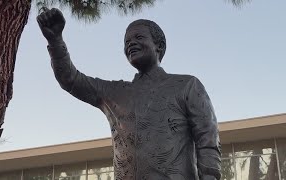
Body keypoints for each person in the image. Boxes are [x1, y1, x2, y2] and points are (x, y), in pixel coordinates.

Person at [37, 8, 221, 180]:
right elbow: (70, 79)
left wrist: (210, 176)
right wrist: (55, 41)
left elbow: (207, 138)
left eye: (139, 37)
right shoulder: (114, 93)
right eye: (127, 42)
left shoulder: (187, 85)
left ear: (159, 45)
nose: (131, 43)